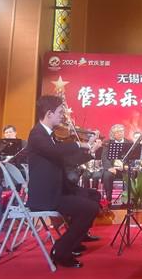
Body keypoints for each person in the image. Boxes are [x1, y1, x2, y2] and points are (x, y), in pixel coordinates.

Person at [26, 95, 102, 268]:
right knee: (89, 208)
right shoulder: (37, 134)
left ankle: (75, 240)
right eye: (60, 112)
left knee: (92, 196)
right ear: (49, 113)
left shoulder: (50, 135)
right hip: (46, 194)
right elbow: (55, 151)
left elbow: (69, 161)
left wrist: (90, 151)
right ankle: (61, 251)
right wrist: (80, 145)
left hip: (58, 189)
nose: (63, 116)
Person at [101, 124, 131, 205]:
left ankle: (126, 199)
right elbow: (104, 157)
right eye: (117, 132)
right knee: (107, 175)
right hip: (112, 168)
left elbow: (132, 157)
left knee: (129, 174)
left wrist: (126, 165)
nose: (120, 133)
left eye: (121, 131)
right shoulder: (107, 143)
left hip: (124, 168)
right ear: (113, 134)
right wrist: (110, 168)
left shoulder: (129, 142)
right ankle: (108, 199)